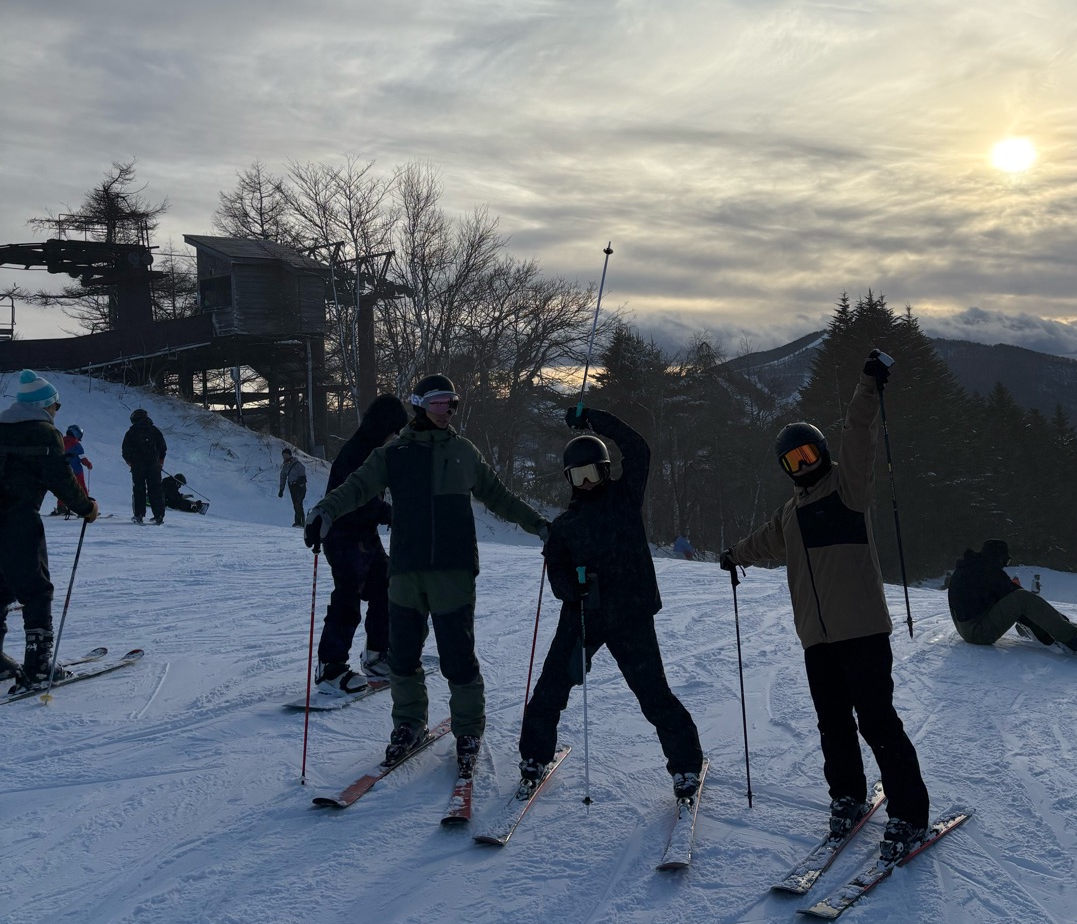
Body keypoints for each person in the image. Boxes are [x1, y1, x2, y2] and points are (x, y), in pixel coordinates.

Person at [718, 356, 931, 864]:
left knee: (876, 720)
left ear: (824, 453)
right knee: (832, 722)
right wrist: (733, 555)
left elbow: (860, 432)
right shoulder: (789, 512)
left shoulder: (849, 488)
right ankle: (848, 795)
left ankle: (909, 813)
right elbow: (764, 541)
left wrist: (867, 386)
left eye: (809, 454)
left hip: (861, 631)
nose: (804, 465)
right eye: (793, 461)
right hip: (817, 637)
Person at [305, 374, 550, 776]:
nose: (446, 410)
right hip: (406, 571)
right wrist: (325, 511)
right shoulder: (393, 454)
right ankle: (408, 725)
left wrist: (539, 525)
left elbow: (499, 496)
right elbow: (357, 486)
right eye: (438, 402)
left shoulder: (464, 452)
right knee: (402, 657)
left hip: (453, 571)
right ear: (420, 405)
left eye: (451, 403)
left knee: (458, 656)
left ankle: (468, 730)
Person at [520, 406, 705, 802]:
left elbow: (638, 449)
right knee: (551, 687)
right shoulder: (565, 526)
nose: (587, 484)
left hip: (630, 616)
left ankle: (686, 766)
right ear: (569, 480)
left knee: (653, 695)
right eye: (578, 477)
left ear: (605, 472)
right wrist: (573, 590)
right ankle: (534, 757)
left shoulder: (625, 497)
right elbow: (557, 571)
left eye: (593, 473)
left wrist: (595, 419)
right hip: (584, 617)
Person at [0, 371, 99, 685]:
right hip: (18, 518)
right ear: (45, 405)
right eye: (56, 404)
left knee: (0, 588)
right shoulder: (43, 431)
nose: (57, 410)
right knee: (36, 590)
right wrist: (86, 507)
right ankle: (39, 666)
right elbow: (61, 480)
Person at [311, 393, 407, 697]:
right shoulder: (358, 452)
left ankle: (377, 654)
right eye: (395, 429)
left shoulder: (375, 449)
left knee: (386, 586)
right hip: (342, 536)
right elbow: (353, 497)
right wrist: (384, 512)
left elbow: (371, 501)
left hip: (364, 535)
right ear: (384, 425)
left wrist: (387, 512)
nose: (397, 436)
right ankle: (330, 668)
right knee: (348, 597)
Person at [948, 539, 1077, 663]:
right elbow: (1020, 598)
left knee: (1015, 598)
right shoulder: (988, 571)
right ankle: (1075, 641)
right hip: (977, 633)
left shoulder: (971, 568)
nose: (1005, 566)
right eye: (1006, 561)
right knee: (1022, 598)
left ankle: (1048, 631)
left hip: (968, 629)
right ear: (998, 557)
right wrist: (1058, 622)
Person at [121, 407, 167, 525]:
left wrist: (130, 461)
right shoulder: (154, 430)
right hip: (154, 466)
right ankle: (159, 515)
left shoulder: (131, 432)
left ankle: (139, 515)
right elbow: (163, 447)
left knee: (138, 490)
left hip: (138, 467)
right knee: (156, 490)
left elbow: (125, 450)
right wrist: (160, 461)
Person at [278, 449, 307, 527]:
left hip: (300, 486)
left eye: (286, 455)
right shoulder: (285, 466)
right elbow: (282, 477)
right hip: (292, 487)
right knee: (295, 504)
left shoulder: (297, 464)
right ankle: (298, 521)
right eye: (283, 455)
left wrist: (301, 482)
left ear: (290, 455)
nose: (284, 457)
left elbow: (302, 471)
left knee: (298, 503)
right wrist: (281, 489)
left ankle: (302, 522)